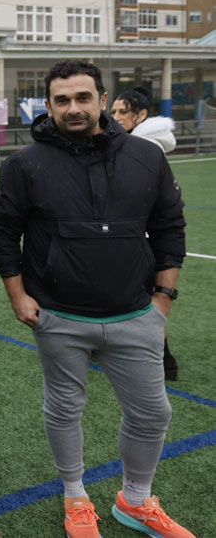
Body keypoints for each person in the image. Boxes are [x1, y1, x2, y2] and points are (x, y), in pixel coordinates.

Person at [0, 60, 191, 538]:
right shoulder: (26, 163)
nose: (73, 108)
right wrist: (18, 297)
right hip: (58, 315)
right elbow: (1, 232)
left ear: (103, 100)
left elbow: (169, 227)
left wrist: (163, 298)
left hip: (137, 312)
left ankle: (135, 501)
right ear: (48, 105)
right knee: (65, 407)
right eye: (62, 100)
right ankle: (76, 496)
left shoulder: (146, 156)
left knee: (153, 412)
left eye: (83, 98)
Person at [111, 85, 180, 380]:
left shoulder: (145, 147)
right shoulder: (139, 142)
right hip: (139, 232)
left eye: (122, 111)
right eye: (112, 111)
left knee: (148, 298)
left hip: (145, 234)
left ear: (141, 115)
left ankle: (163, 358)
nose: (115, 116)